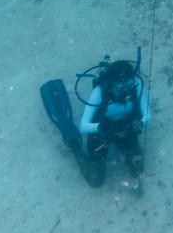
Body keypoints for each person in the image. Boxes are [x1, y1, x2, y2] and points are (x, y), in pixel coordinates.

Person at [40, 53, 150, 186]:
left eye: (129, 83)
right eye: (122, 86)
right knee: (95, 181)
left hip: (126, 129)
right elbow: (84, 126)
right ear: (112, 84)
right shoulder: (99, 93)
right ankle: (74, 143)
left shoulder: (136, 85)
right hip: (102, 134)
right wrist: (100, 128)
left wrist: (141, 123)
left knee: (137, 171)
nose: (126, 89)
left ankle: (129, 148)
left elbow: (147, 114)